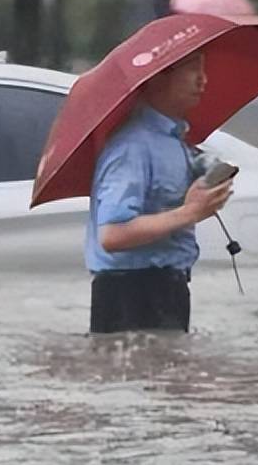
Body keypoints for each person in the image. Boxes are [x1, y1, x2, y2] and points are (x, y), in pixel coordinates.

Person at [85, 52, 233, 333]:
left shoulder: (175, 141)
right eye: (191, 70)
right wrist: (190, 212)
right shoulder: (132, 146)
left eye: (203, 69)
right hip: (131, 292)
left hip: (167, 286)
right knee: (139, 375)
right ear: (157, 77)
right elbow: (113, 234)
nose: (203, 80)